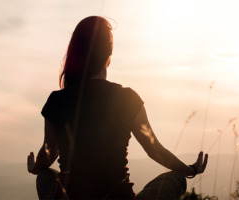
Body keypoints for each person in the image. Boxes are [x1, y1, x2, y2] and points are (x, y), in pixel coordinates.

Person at [27, 16, 208, 199]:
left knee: (45, 175)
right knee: (177, 178)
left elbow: (49, 154)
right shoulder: (127, 98)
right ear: (109, 54)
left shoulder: (57, 100)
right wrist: (191, 169)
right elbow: (155, 150)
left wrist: (34, 167)